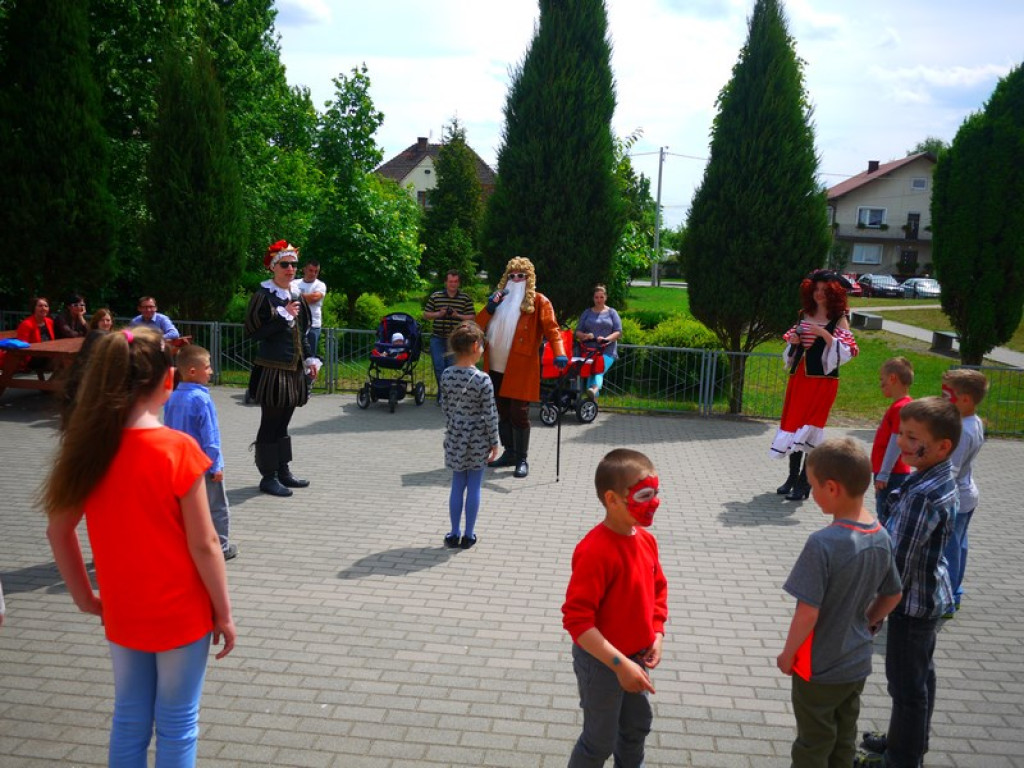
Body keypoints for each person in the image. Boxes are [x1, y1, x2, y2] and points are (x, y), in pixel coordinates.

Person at [42, 326, 235, 767]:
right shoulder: (178, 450)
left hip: (123, 608)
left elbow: (58, 530)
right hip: (182, 613)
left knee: (129, 718)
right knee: (178, 722)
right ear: (169, 380)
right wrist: (222, 613)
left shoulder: (89, 449)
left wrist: (85, 599)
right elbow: (205, 544)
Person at [777, 437, 903, 768]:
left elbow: (808, 613)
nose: (811, 491)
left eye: (812, 484)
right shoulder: (881, 533)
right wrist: (870, 622)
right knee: (844, 737)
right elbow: (893, 593)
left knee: (813, 743)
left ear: (832, 488)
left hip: (818, 668)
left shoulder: (822, 544)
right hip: (856, 663)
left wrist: (788, 654)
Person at [856, 396, 960, 768]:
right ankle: (910, 740)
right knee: (920, 678)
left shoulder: (922, 495)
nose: (901, 442)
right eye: (900, 433)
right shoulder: (934, 478)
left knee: (906, 687)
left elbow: (897, 563)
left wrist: (873, 610)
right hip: (929, 597)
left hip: (911, 605)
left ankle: (902, 758)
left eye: (912, 436)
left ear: (942, 446)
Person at [562, 448, 667, 767]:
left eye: (656, 492)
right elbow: (577, 621)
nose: (655, 501)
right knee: (599, 741)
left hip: (637, 658)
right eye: (644, 494)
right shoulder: (595, 551)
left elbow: (658, 590)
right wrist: (619, 665)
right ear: (612, 499)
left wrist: (657, 633)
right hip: (602, 664)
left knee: (636, 729)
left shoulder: (646, 541)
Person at [771, 270, 859, 501]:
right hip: (799, 379)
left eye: (824, 290)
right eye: (816, 289)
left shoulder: (839, 318)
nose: (819, 294)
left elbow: (848, 351)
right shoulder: (804, 314)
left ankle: (804, 482)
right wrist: (794, 341)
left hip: (823, 383)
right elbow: (792, 345)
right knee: (794, 427)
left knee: (811, 428)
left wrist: (825, 335)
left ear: (833, 293)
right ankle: (791, 478)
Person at [475, 257, 566, 478]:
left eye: (521, 276)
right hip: (495, 365)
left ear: (529, 278)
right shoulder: (499, 300)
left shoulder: (539, 302)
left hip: (521, 366)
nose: (516, 280)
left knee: (519, 413)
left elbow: (553, 330)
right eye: (512, 275)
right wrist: (488, 308)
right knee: (502, 411)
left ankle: (522, 458)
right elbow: (476, 326)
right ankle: (510, 452)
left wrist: (560, 352)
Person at [245, 240, 321, 497]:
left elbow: (304, 333)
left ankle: (283, 470)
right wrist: (282, 316)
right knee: (270, 423)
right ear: (273, 267)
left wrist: (310, 360)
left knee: (284, 424)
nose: (290, 269)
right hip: (272, 370)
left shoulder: (297, 295)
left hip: (294, 368)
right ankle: (268, 476)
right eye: (285, 265)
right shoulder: (263, 296)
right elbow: (254, 332)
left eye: (293, 265)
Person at [164, 344, 238, 561]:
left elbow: (169, 429)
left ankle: (184, 544)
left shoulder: (172, 396)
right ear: (193, 371)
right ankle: (221, 547)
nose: (211, 371)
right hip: (203, 465)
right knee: (217, 507)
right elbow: (211, 437)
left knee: (185, 508)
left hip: (180, 464)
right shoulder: (202, 399)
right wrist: (216, 465)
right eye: (207, 367)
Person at [440, 322, 499, 550]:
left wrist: (454, 426)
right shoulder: (483, 379)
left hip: (455, 435)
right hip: (477, 438)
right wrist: (495, 443)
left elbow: (445, 407)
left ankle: (453, 533)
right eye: (482, 345)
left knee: (457, 483)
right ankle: (469, 535)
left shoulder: (446, 374)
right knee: (474, 486)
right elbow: (490, 414)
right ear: (475, 346)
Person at [940, 369, 988, 617]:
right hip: (968, 495)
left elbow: (951, 472)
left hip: (956, 498)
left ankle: (947, 598)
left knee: (949, 550)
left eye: (947, 395)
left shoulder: (963, 430)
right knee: (959, 545)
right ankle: (955, 592)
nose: (943, 399)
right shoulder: (974, 421)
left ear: (966, 400)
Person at [423, 269, 476, 405]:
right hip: (438, 337)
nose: (453, 284)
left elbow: (472, 317)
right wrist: (438, 314)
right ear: (446, 282)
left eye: (455, 281)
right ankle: (444, 395)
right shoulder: (436, 296)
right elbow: (426, 314)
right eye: (450, 281)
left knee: (452, 368)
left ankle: (449, 396)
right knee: (439, 367)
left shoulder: (465, 298)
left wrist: (457, 315)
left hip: (455, 340)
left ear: (459, 283)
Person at [872, 357, 914, 523]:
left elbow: (896, 442)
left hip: (891, 474)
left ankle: (888, 549)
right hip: (893, 472)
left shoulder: (900, 408)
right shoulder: (902, 404)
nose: (881, 384)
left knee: (886, 518)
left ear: (892, 378)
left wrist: (883, 474)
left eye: (882, 380)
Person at [574, 283, 622, 400]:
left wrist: (606, 339)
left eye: (601, 297)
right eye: (596, 297)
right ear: (593, 298)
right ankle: (592, 404)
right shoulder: (587, 313)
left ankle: (594, 389)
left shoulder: (612, 313)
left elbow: (618, 332)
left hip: (607, 351)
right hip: (589, 351)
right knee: (591, 375)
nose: (599, 300)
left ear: (605, 298)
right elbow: (577, 332)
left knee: (598, 371)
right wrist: (585, 336)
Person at [292, 259, 327, 355]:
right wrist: (306, 296)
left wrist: (296, 296)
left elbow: (314, 298)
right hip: (295, 324)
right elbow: (287, 297)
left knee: (310, 356)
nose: (313, 274)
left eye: (316, 271)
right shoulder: (294, 283)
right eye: (311, 270)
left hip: (313, 326)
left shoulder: (320, 285)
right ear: (304, 270)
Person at [16, 296, 55, 371]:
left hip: (48, 354)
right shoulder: (26, 324)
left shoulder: (50, 322)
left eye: (46, 306)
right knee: (63, 360)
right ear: (34, 308)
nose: (43, 308)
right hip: (32, 357)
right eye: (40, 306)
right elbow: (22, 346)